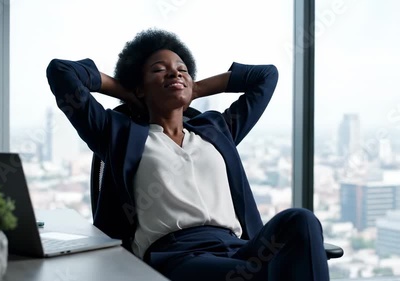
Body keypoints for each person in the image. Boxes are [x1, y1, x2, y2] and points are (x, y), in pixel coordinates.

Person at [46, 29, 329, 281]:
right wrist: (127, 92)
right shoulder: (118, 134)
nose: (175, 73)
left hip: (239, 248)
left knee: (301, 221)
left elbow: (265, 76)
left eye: (182, 69)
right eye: (159, 70)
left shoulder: (217, 129)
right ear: (140, 86)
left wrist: (195, 88)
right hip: (178, 257)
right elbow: (61, 72)